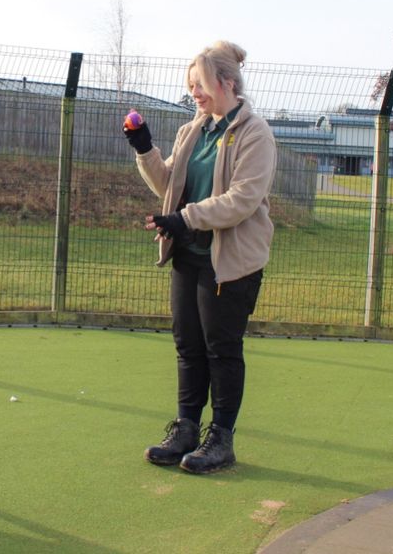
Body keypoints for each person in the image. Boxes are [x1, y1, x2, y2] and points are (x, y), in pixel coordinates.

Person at [123, 41, 276, 474]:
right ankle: (186, 429)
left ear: (227, 83)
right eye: (191, 86)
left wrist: (184, 219)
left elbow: (241, 200)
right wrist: (145, 149)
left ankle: (221, 438)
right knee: (188, 346)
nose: (195, 93)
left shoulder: (254, 133)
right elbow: (169, 184)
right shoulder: (195, 129)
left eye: (201, 84)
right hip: (189, 256)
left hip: (230, 262)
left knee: (220, 350)